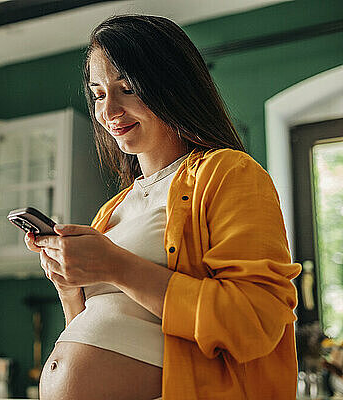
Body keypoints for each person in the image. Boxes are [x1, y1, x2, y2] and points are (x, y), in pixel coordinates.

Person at [23, 15, 302, 400]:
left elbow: (254, 320)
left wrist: (115, 265)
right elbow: (97, 331)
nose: (109, 111)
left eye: (127, 88)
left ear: (171, 85)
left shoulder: (228, 172)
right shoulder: (111, 211)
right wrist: (68, 284)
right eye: (100, 94)